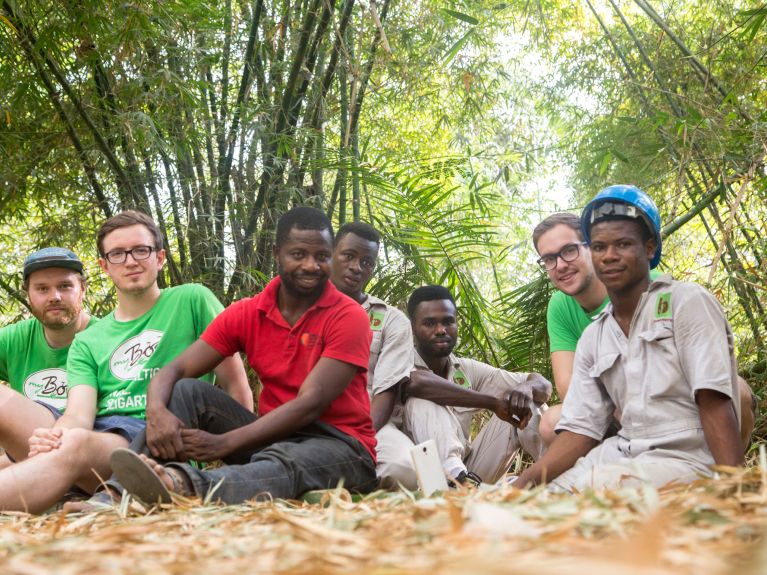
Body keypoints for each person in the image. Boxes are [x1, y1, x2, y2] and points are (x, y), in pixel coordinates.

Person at [109, 206, 378, 505]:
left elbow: (310, 403)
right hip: (273, 438)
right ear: (277, 253)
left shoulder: (349, 316)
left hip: (341, 447)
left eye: (322, 256)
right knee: (186, 392)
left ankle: (178, 483)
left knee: (284, 461)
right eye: (299, 254)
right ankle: (113, 496)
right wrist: (156, 410)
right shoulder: (248, 312)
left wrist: (224, 444)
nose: (311, 266)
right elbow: (175, 370)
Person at [0, 211, 251, 513]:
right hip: (102, 435)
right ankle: (63, 483)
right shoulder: (89, 340)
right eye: (118, 254)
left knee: (76, 444)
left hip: (157, 437)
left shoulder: (191, 300)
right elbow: (78, 414)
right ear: (105, 266)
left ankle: (63, 479)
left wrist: (237, 458)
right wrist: (52, 436)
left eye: (140, 250)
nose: (131, 261)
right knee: (63, 435)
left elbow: (236, 386)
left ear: (159, 258)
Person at [517, 185, 743, 491]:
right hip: (624, 450)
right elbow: (579, 430)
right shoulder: (595, 336)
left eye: (622, 244)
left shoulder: (685, 302)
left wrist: (734, 489)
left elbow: (714, 401)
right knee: (546, 497)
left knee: (598, 489)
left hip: (686, 454)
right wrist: (522, 485)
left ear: (649, 249)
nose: (609, 256)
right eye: (599, 247)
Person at [533, 211, 756, 450]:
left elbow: (698, 367)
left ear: (592, 247)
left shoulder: (653, 287)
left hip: (676, 401)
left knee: (738, 392)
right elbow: (568, 385)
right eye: (549, 259)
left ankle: (726, 474)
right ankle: (617, 481)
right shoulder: (559, 306)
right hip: (613, 409)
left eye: (569, 250)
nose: (560, 265)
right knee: (551, 423)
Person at [402, 285, 551, 485]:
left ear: (457, 324)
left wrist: (526, 388)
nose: (440, 330)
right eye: (429, 323)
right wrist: (492, 403)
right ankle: (457, 480)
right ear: (412, 327)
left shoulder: (466, 369)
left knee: (527, 403)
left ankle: (558, 476)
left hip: (472, 474)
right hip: (422, 479)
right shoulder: (399, 361)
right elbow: (417, 383)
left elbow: (543, 385)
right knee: (422, 401)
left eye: (448, 321)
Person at [330, 221, 417, 489]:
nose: (357, 267)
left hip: (370, 425)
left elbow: (386, 392)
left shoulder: (391, 320)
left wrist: (355, 439)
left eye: (367, 262)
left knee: (405, 468)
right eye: (349, 256)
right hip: (309, 417)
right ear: (331, 253)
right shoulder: (305, 306)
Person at [0, 248, 96, 468]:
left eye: (65, 286)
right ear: (28, 294)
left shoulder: (107, 339)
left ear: (82, 288)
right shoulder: (15, 339)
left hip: (86, 455)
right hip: (29, 452)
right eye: (42, 288)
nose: (55, 296)